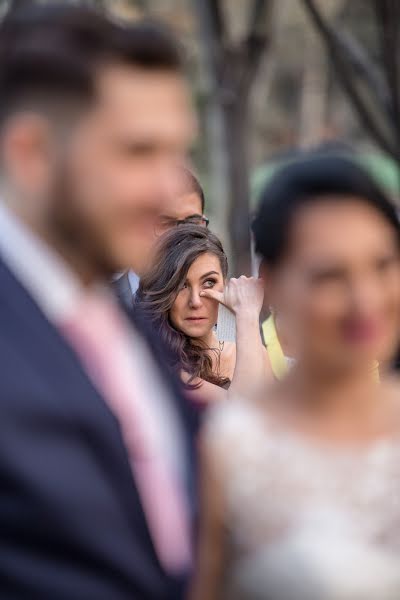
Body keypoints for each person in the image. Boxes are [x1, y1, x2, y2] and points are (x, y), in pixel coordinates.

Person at [0, 4, 197, 599]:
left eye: (176, 153)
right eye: (137, 153)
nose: (169, 189)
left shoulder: (126, 326)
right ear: (32, 153)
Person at [191, 154, 400, 600]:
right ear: (275, 282)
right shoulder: (228, 449)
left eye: (382, 266)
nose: (366, 300)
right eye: (330, 276)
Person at [136, 225, 271, 404]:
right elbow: (240, 415)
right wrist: (246, 314)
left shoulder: (253, 352)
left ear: (224, 285)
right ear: (163, 291)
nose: (195, 301)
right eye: (182, 285)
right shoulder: (160, 362)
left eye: (209, 282)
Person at [113, 165, 208, 307]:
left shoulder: (227, 310)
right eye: (166, 223)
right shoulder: (98, 306)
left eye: (192, 222)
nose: (181, 234)